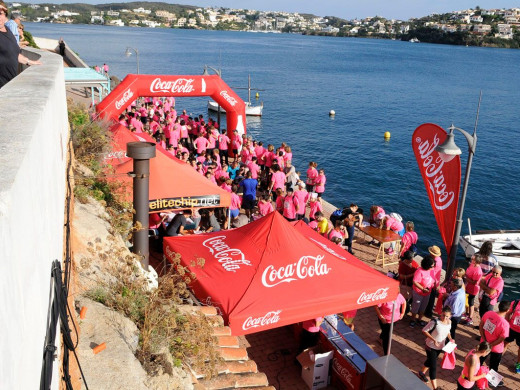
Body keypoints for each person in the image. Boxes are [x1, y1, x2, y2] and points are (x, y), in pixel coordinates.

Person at [0, 2, 41, 89]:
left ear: (5, 15)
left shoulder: (8, 30)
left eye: (0, 13)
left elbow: (13, 53)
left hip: (9, 83)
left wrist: (28, 61)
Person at [417, 306, 454, 390]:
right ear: (441, 313)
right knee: (433, 366)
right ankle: (435, 388)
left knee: (430, 361)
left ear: (450, 316)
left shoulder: (449, 322)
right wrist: (433, 340)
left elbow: (448, 331)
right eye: (443, 315)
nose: (445, 318)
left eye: (447, 316)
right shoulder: (434, 322)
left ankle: (421, 373)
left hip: (440, 346)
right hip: (430, 346)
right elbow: (424, 330)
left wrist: (450, 338)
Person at [479, 300, 510, 384]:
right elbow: (501, 339)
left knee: (480, 359)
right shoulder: (505, 324)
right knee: (494, 365)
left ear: (499, 306)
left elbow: (481, 325)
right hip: (496, 348)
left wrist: (484, 339)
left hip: (484, 342)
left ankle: (476, 373)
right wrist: (491, 345)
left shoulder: (488, 313)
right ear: (507, 310)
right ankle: (491, 380)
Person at [410, 255, 435, 328]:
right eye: (432, 266)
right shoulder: (419, 271)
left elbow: (433, 279)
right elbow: (415, 282)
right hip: (418, 292)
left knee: (423, 306)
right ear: (427, 266)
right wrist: (422, 289)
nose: (433, 267)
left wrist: (434, 285)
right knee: (416, 306)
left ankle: (419, 319)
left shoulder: (431, 270)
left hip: (427, 293)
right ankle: (413, 319)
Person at [462, 254, 484, 326]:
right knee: (467, 300)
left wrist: (465, 277)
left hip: (473, 288)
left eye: (473, 259)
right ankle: (467, 313)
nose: (471, 260)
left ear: (476, 261)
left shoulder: (478, 271)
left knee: (471, 302)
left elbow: (474, 282)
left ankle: (470, 318)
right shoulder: (472, 265)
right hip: (467, 286)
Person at [424, 245, 443, 318]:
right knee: (431, 296)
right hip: (435, 280)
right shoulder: (439, 259)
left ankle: (428, 311)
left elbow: (433, 273)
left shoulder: (435, 262)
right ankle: (427, 311)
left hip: (432, 281)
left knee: (431, 297)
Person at [504, 299, 520, 374]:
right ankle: (498, 357)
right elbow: (508, 313)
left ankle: (518, 364)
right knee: (505, 343)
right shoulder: (515, 303)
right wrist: (506, 324)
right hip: (511, 329)